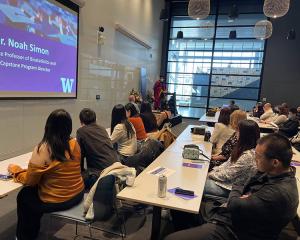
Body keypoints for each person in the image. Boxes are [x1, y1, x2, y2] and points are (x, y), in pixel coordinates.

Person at [165, 133, 299, 240]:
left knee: (170, 238)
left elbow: (235, 203)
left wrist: (239, 191)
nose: (254, 159)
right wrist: (242, 195)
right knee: (181, 202)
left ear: (275, 162)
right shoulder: (272, 173)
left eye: (258, 156)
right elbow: (242, 190)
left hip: (234, 229)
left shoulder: (278, 193)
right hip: (231, 214)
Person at [8, 109, 84, 240]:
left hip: (58, 200)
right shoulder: (74, 143)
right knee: (32, 196)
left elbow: (30, 181)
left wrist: (16, 170)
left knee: (25, 195)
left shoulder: (43, 149)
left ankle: (24, 236)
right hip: (77, 194)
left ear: (47, 126)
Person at [205, 120, 260, 199]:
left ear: (245, 135)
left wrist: (210, 175)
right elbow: (227, 164)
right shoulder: (242, 148)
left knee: (198, 184)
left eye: (238, 130)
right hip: (224, 182)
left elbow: (228, 175)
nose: (236, 133)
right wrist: (213, 171)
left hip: (229, 188)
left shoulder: (248, 156)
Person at [76, 108, 118, 187]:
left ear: (81, 121)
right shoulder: (102, 129)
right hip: (115, 167)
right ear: (95, 119)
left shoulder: (81, 131)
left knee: (72, 180)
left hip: (101, 174)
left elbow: (80, 154)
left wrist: (80, 172)